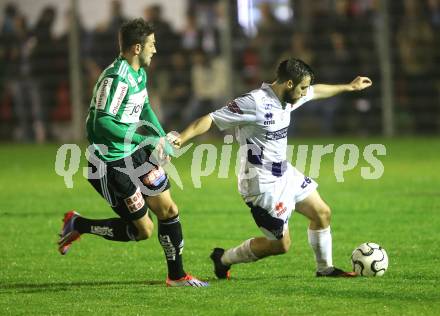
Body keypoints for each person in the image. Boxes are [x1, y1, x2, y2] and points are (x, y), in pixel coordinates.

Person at [174, 58, 372, 278]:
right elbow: (210, 119)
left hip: (284, 173)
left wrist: (349, 86)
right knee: (280, 245)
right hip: (261, 186)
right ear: (288, 83)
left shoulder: (289, 97)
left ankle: (325, 269)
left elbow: (316, 91)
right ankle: (223, 258)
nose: (304, 92)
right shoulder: (254, 102)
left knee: (322, 213)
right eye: (302, 88)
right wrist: (181, 138)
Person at [57, 19, 208, 287]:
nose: (155, 49)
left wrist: (160, 139)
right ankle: (78, 225)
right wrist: (143, 138)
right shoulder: (116, 77)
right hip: (109, 163)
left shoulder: (139, 74)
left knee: (169, 209)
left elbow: (145, 107)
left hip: (136, 154)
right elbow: (100, 122)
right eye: (152, 44)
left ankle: (177, 276)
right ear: (137, 47)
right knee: (143, 231)